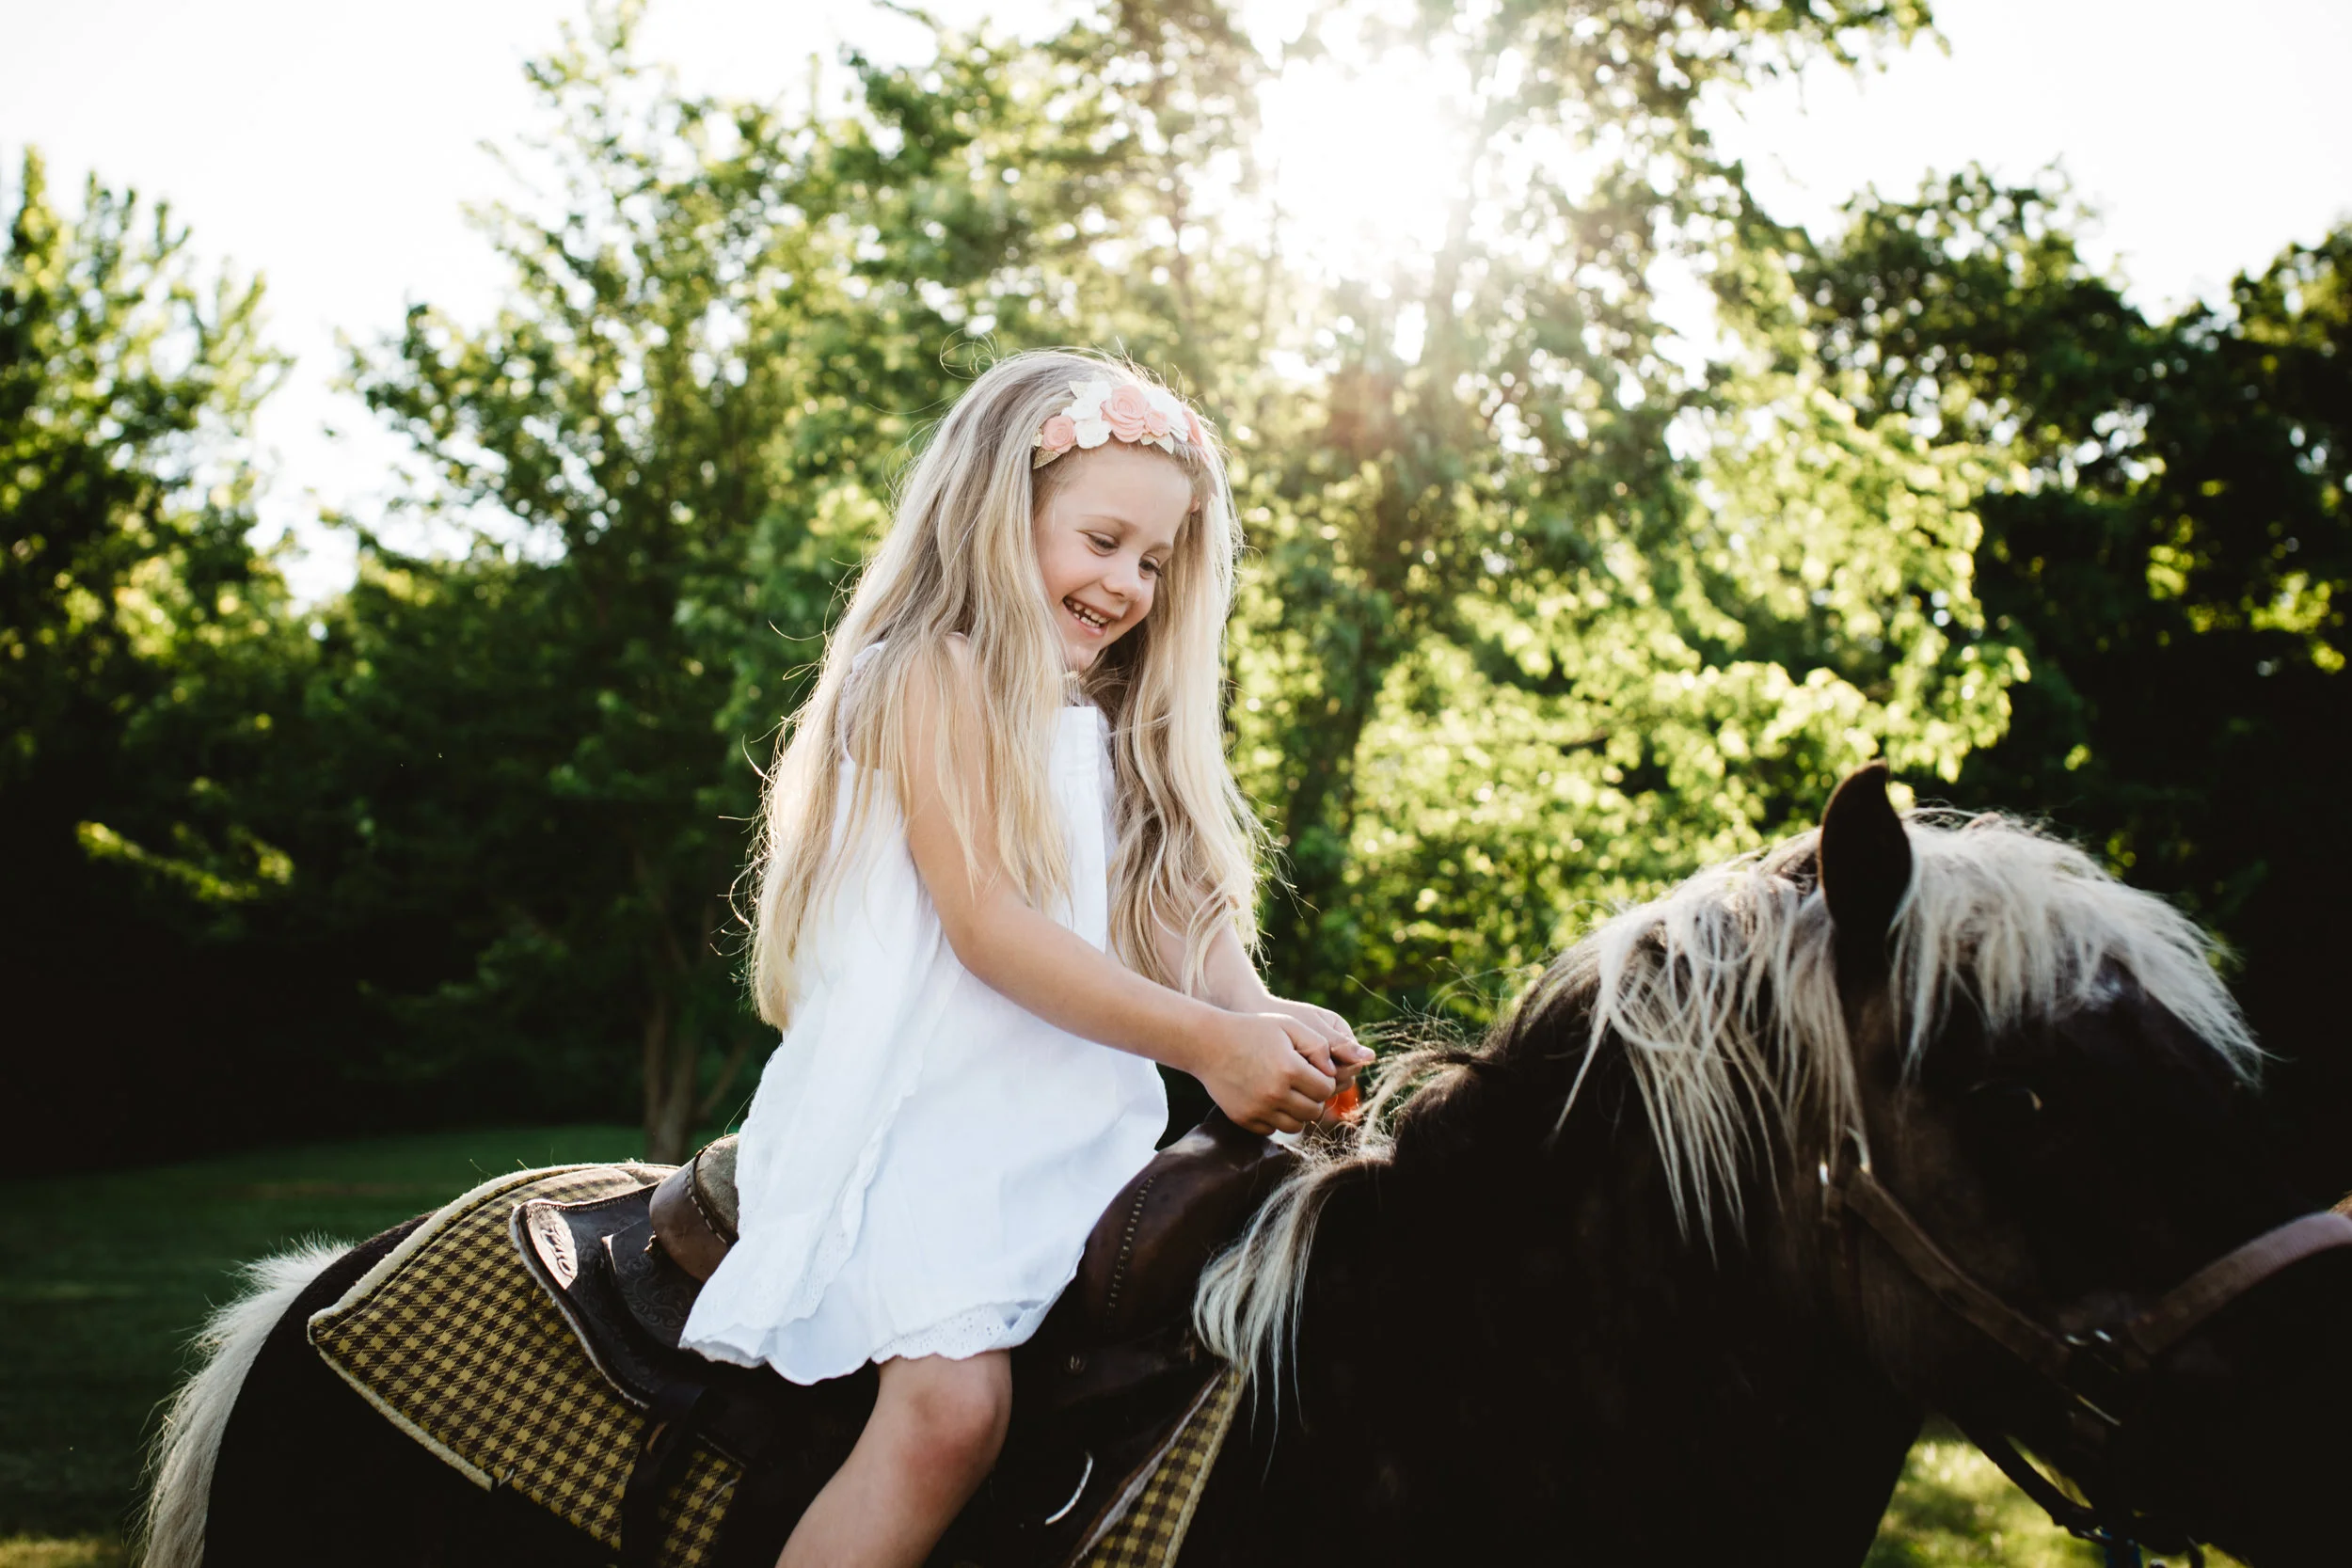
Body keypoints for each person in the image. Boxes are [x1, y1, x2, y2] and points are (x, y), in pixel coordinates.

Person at [679, 350, 1370, 1568]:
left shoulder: (1106, 715)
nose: (1127, 583)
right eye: (1102, 540)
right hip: (918, 1129)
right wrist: (1208, 1046)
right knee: (952, 1412)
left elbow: (1171, 905)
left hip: (1063, 1130)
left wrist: (1257, 1012)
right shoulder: (931, 674)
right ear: (1005, 512)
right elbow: (988, 922)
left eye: (1154, 561)